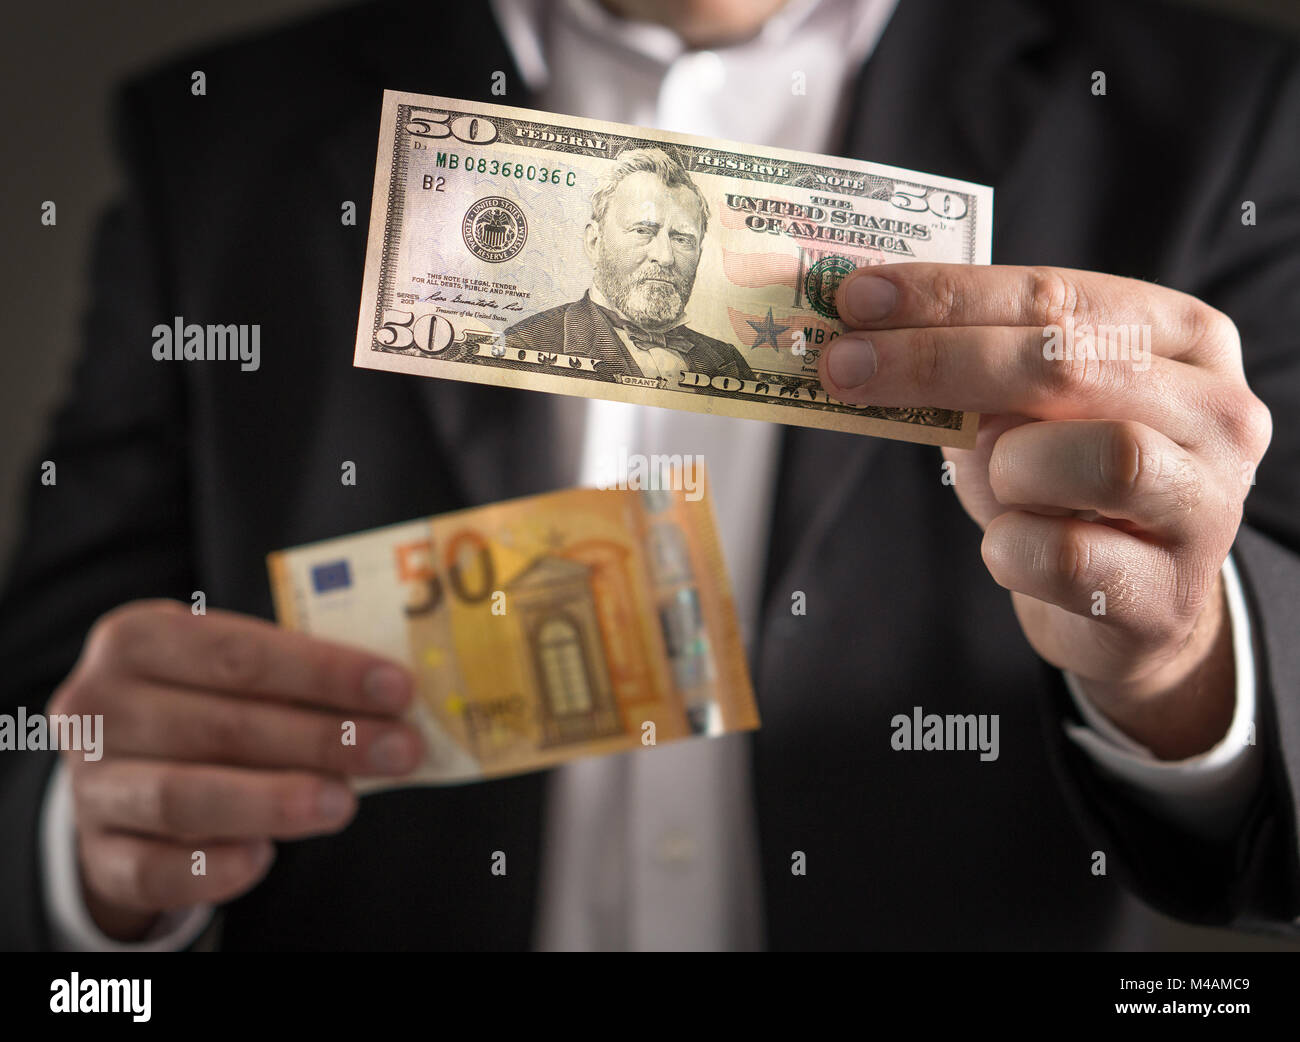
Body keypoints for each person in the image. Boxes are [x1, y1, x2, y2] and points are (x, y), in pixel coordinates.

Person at [0, 0, 1297, 951]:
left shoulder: (1228, 117)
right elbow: (47, 705)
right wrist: (94, 837)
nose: (666, 259)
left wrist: (1183, 664)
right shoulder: (215, 141)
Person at [505, 146, 757, 383]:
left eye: (682, 239)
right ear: (595, 243)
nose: (665, 257)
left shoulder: (729, 362)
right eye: (643, 230)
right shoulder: (524, 345)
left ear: (699, 256)